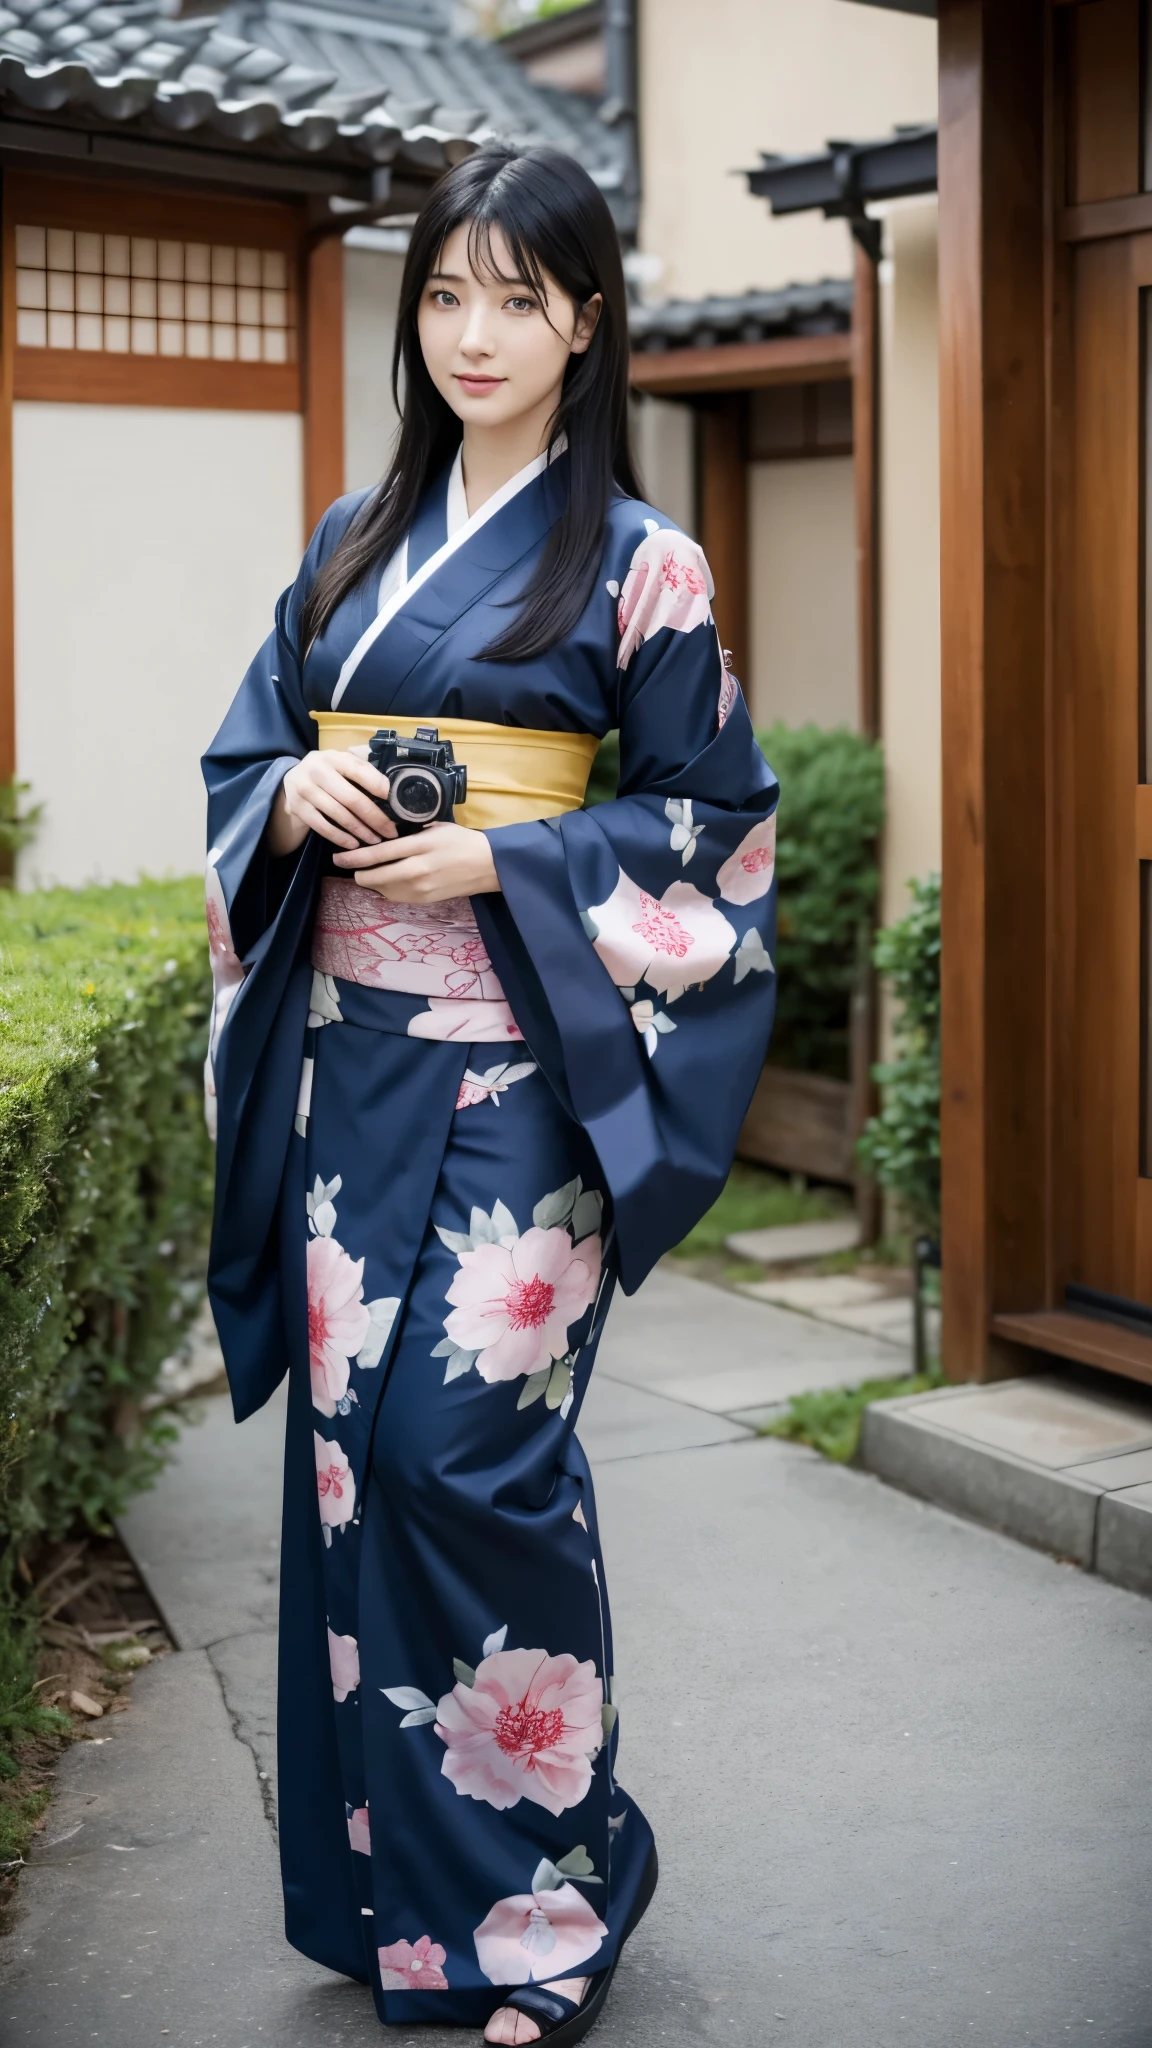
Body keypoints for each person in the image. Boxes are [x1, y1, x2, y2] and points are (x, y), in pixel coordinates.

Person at [202, 143, 778, 2046]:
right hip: (352, 1083)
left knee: (478, 1473)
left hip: (528, 1083)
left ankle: (549, 1911)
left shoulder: (643, 560)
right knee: (364, 1480)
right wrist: (288, 801)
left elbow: (718, 830)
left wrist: (518, 871)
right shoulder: (353, 539)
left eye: (518, 297)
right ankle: (401, 1909)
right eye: (444, 293)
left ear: (587, 320)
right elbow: (252, 753)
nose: (474, 332)